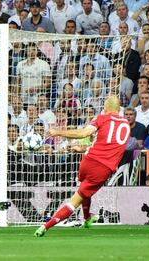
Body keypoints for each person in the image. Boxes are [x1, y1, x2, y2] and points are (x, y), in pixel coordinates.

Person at [34, 96, 130, 237]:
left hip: (87, 161)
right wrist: (58, 132)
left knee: (84, 189)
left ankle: (87, 218)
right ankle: (45, 227)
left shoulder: (102, 118)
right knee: (75, 200)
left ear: (106, 107)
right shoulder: (126, 124)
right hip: (102, 168)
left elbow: (85, 133)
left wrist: (61, 133)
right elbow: (109, 146)